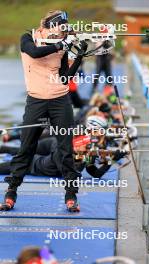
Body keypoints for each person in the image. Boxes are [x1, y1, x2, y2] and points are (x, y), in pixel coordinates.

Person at [0, 10, 88, 213]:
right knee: (26, 147)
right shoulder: (28, 37)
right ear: (49, 26)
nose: (62, 34)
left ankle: (71, 195)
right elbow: (34, 53)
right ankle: (11, 192)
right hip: (36, 101)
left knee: (66, 149)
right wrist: (60, 44)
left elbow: (65, 77)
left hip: (60, 100)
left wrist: (79, 56)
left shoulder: (62, 44)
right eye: (60, 29)